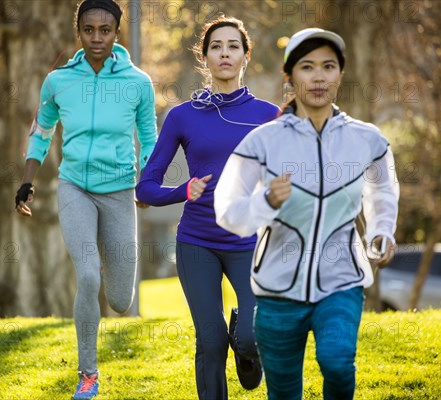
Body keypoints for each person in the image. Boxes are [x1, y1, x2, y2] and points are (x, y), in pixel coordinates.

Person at [214, 28, 400, 400]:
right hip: (277, 285)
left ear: (340, 74)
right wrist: (265, 201)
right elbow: (227, 208)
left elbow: (382, 187)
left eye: (328, 67)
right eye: (307, 67)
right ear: (290, 77)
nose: (318, 77)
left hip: (342, 278)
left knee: (337, 362)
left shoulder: (367, 139)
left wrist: (381, 230)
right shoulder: (262, 141)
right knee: (283, 391)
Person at [14, 1, 157, 399]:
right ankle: (88, 374)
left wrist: (148, 179)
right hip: (74, 186)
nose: (97, 38)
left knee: (120, 299)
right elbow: (41, 131)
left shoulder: (137, 82)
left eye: (105, 30)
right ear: (78, 31)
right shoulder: (58, 81)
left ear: (116, 32)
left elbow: (149, 136)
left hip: (119, 190)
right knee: (88, 275)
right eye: (89, 29)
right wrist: (28, 179)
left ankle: (116, 269)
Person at [136, 17, 280, 400]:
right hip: (197, 242)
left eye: (234, 46)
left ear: (246, 56)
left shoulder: (270, 116)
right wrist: (186, 189)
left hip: (249, 243)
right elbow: (146, 187)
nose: (225, 53)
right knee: (211, 342)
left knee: (250, 337)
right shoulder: (182, 116)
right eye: (216, 46)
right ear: (205, 57)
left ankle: (249, 355)